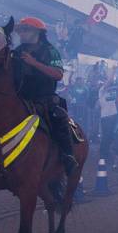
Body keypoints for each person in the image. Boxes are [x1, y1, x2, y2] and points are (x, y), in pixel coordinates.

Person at [14, 16, 78, 175]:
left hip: (44, 98)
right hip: (20, 97)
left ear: (37, 32)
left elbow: (57, 75)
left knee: (59, 120)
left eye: (25, 30)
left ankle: (68, 156)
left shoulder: (50, 51)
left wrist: (33, 63)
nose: (21, 34)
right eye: (20, 30)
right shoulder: (17, 51)